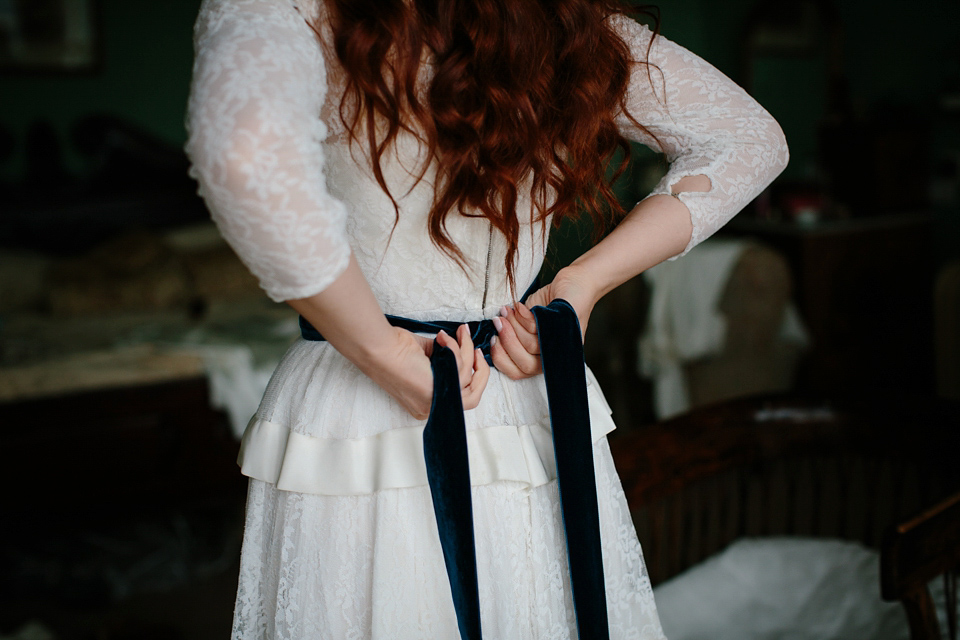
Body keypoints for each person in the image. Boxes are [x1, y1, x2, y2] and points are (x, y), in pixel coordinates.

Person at [186, 0, 788, 637]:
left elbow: (243, 153)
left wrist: (381, 348)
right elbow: (747, 140)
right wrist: (581, 283)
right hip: (496, 396)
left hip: (380, 400)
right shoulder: (566, 19)